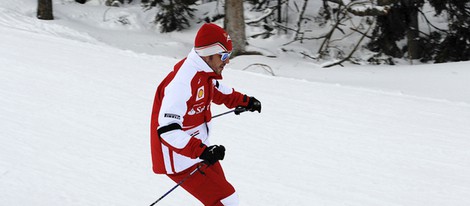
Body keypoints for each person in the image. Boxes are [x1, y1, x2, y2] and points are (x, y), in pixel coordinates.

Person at [150, 23, 262, 206]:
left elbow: (216, 90)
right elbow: (167, 130)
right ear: (209, 54)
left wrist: (244, 101)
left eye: (229, 56)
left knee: (227, 199)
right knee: (226, 200)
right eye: (224, 56)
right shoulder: (182, 82)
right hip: (180, 158)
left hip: (198, 149)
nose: (227, 61)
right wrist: (201, 151)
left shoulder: (204, 72)